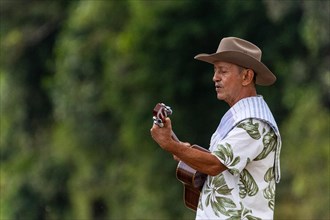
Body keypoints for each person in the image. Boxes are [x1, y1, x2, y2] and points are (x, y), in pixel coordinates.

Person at [150, 37, 282, 219]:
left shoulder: (254, 124)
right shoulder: (240, 117)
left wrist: (171, 146)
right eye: (215, 70)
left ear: (246, 76)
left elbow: (215, 164)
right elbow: (218, 162)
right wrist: (182, 150)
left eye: (223, 71)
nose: (215, 77)